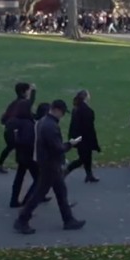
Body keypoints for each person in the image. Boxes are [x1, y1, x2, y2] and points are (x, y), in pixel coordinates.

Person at [13, 100, 85, 235]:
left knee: (60, 191)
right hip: (50, 164)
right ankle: (22, 219)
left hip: (47, 162)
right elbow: (57, 148)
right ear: (57, 110)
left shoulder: (43, 121)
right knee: (40, 194)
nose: (62, 116)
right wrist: (70, 144)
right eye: (62, 113)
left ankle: (68, 219)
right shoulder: (50, 126)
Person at [0, 83, 36, 174]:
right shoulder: (24, 103)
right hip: (14, 132)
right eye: (28, 90)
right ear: (24, 92)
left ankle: (1, 164)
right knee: (19, 147)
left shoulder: (14, 103)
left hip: (10, 131)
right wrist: (34, 91)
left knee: (11, 147)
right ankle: (24, 167)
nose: (29, 92)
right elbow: (31, 102)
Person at [65, 90, 100, 183]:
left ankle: (89, 175)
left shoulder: (76, 109)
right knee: (83, 158)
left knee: (87, 157)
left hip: (79, 137)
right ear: (85, 97)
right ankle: (66, 171)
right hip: (85, 138)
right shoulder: (86, 110)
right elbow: (89, 127)